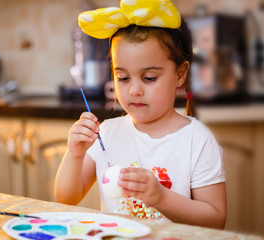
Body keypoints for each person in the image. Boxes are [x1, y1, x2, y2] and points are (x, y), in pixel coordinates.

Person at [54, 0, 226, 229]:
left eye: (149, 78)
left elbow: (215, 220)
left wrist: (161, 197)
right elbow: (67, 197)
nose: (134, 90)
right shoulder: (107, 133)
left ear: (180, 74)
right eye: (123, 78)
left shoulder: (197, 140)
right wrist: (74, 154)